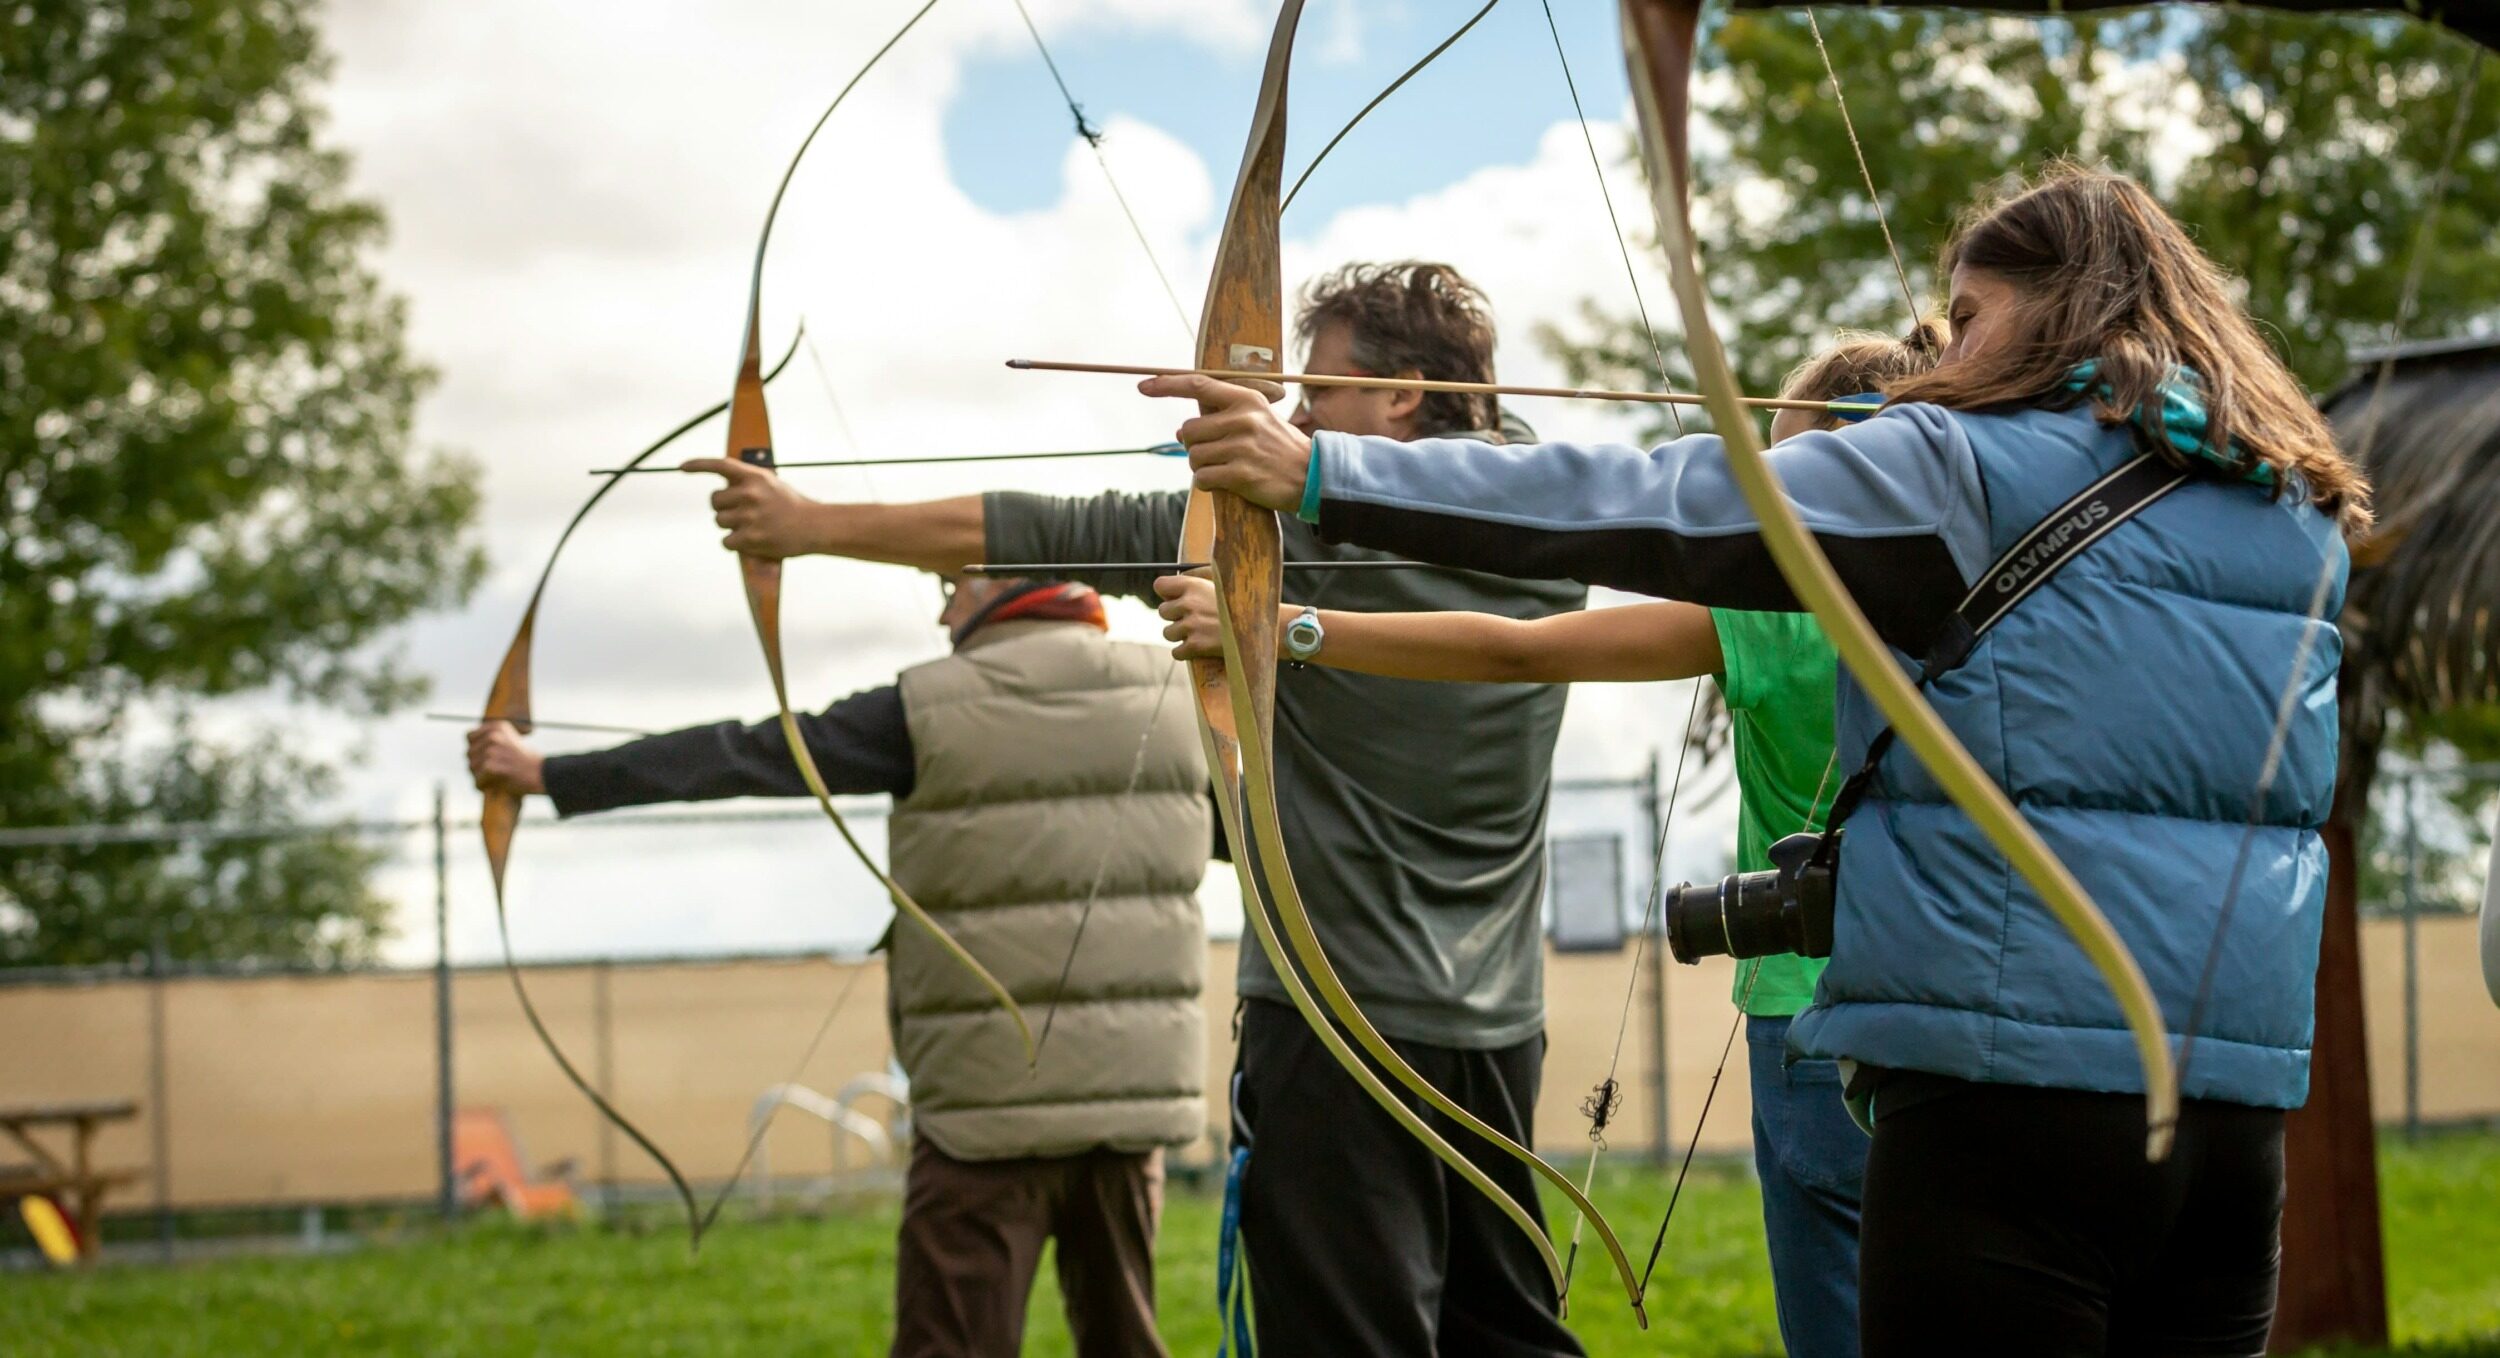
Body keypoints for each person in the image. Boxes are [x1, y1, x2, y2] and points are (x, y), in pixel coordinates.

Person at [1157, 165, 2365, 1356]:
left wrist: (1322, 469)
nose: (1943, 351)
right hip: (2228, 1115)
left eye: (1967, 317)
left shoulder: (1957, 462)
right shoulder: (2289, 502)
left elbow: (1657, 499)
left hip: (2005, 1097)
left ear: (2057, 306)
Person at [692, 262, 1598, 1355]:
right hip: (1499, 1024)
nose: (1298, 417)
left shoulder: (1290, 539)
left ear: (1405, 393)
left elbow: (1050, 527)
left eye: (1321, 392)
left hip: (1334, 1022)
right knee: (1506, 1328)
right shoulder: (1555, 525)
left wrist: (805, 520)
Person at [1155, 326, 1938, 1358]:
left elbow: (1513, 647)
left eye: (1787, 467)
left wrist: (1282, 625)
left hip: (1808, 1014)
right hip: (1964, 1010)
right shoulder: (2001, 592)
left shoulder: (1774, 607)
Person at [467, 573, 1207, 1358]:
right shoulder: (1176, 700)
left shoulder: (928, 706)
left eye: (954, 584)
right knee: (1127, 1340)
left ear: (1004, 582)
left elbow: (744, 755)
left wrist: (548, 772)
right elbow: (1246, 839)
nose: (944, 607)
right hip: (1130, 1111)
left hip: (984, 1111)